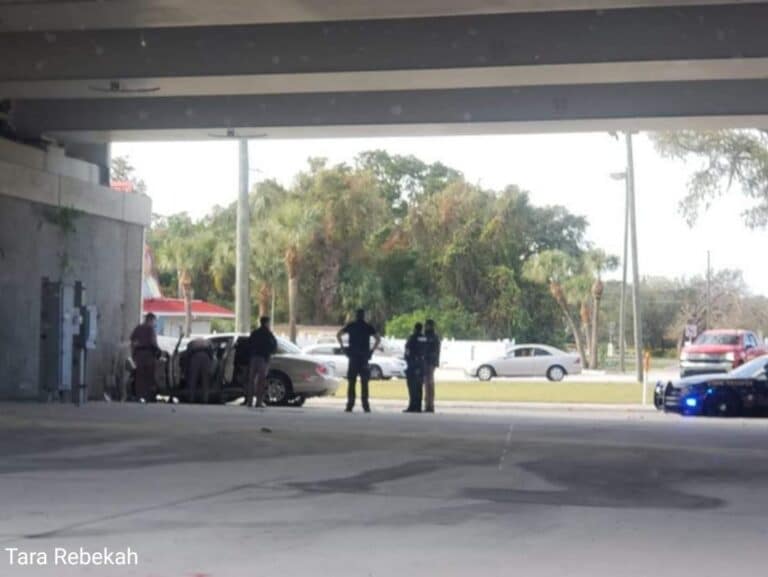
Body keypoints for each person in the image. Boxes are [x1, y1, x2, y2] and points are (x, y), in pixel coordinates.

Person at [337, 309, 381, 413]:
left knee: (351, 382)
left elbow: (338, 335)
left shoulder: (351, 325)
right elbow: (378, 339)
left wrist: (343, 347)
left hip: (353, 357)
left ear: (356, 316)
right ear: (363, 316)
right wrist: (371, 351)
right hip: (364, 358)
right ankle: (365, 405)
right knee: (364, 382)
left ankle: (350, 405)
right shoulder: (368, 327)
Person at [247, 316, 277, 408]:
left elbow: (249, 344)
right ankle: (259, 402)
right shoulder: (268, 334)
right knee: (261, 381)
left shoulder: (254, 333)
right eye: (269, 323)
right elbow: (274, 345)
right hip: (263, 359)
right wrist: (270, 352)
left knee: (251, 381)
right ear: (266, 323)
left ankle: (249, 401)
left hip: (253, 358)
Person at [129, 313, 160, 402]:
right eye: (154, 321)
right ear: (151, 320)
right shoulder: (150, 329)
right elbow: (153, 343)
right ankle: (149, 397)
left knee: (139, 377)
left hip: (138, 355)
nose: (154, 323)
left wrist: (134, 355)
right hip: (149, 355)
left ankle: (139, 396)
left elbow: (132, 342)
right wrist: (158, 352)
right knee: (150, 376)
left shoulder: (138, 328)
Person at [404, 322, 426, 413]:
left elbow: (407, 349)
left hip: (413, 363)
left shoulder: (412, 337)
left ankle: (412, 406)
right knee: (419, 386)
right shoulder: (424, 338)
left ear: (415, 328)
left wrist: (407, 359)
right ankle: (418, 406)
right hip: (421, 364)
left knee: (412, 386)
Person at [185, 338, 213, 404]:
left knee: (193, 379)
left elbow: (187, 355)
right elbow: (211, 354)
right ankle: (205, 399)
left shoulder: (191, 343)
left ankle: (191, 399)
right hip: (206, 359)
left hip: (195, 358)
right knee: (205, 380)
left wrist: (186, 368)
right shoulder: (207, 343)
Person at [423, 319, 442, 413]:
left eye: (426, 325)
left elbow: (433, 351)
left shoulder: (431, 337)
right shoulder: (434, 337)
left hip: (429, 361)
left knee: (428, 383)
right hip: (430, 361)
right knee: (428, 383)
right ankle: (429, 404)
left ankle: (429, 404)